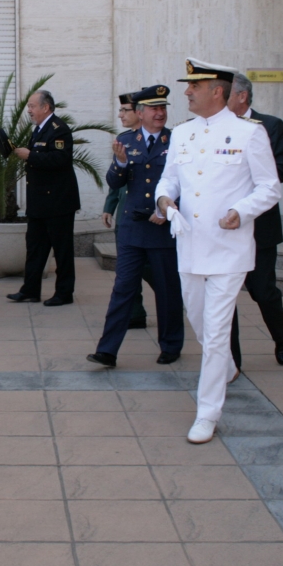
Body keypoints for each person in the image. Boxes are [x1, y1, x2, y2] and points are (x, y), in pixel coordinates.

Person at [155, 58, 280, 445]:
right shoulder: (182, 133)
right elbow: (169, 179)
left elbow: (270, 187)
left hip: (229, 250)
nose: (187, 92)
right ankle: (224, 366)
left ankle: (207, 413)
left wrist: (242, 211)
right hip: (190, 246)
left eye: (195, 86)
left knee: (215, 332)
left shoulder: (249, 133)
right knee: (199, 321)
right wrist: (164, 201)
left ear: (218, 91)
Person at [88, 85, 185, 367]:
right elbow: (114, 182)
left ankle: (171, 345)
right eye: (154, 109)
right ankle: (107, 350)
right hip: (132, 228)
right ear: (140, 113)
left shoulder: (176, 140)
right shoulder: (126, 140)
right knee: (123, 289)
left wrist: (168, 210)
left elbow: (186, 182)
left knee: (167, 291)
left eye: (163, 108)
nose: (160, 113)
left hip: (162, 228)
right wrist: (120, 163)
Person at [227, 74, 283, 368]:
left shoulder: (270, 125)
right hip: (223, 226)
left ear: (242, 96)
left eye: (225, 93)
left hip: (259, 226)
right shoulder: (212, 129)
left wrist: (246, 171)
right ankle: (232, 360)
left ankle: (282, 338)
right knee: (224, 295)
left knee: (263, 291)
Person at [7, 90, 80, 306]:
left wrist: (30, 155)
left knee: (62, 250)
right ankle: (30, 290)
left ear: (45, 107)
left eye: (32, 106)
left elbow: (60, 159)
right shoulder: (39, 129)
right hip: (39, 201)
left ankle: (64, 293)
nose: (29, 110)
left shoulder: (59, 129)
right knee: (35, 248)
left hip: (58, 202)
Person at [102, 92, 151, 329]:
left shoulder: (164, 140)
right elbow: (117, 176)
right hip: (125, 213)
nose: (120, 115)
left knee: (153, 269)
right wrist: (109, 206)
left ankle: (176, 299)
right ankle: (134, 313)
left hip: (151, 216)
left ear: (140, 112)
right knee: (127, 269)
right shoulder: (123, 139)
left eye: (125, 110)